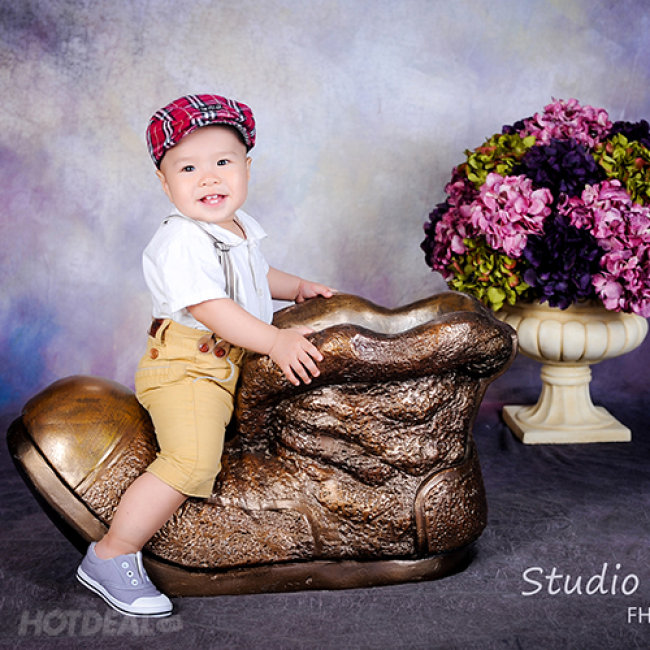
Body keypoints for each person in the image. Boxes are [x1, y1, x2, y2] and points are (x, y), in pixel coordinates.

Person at [76, 94, 334, 617]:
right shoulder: (181, 239)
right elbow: (212, 307)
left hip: (226, 362)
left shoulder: (235, 228)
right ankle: (112, 553)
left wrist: (296, 287)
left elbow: (254, 275)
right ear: (164, 182)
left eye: (222, 162)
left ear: (246, 168)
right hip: (187, 369)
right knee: (191, 460)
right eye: (188, 168)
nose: (209, 178)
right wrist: (275, 340)